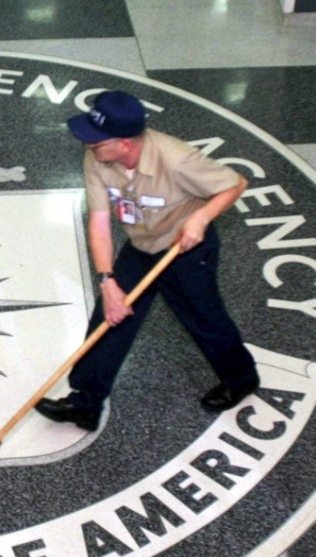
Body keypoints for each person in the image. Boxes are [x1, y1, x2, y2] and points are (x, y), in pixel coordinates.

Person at [35, 90, 259, 432]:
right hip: (141, 244)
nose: (88, 145)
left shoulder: (176, 158)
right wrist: (107, 280)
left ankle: (241, 378)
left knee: (204, 318)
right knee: (109, 317)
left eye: (97, 140)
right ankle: (86, 402)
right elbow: (98, 221)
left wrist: (200, 219)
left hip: (185, 250)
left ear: (124, 143)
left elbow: (235, 183)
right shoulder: (98, 158)